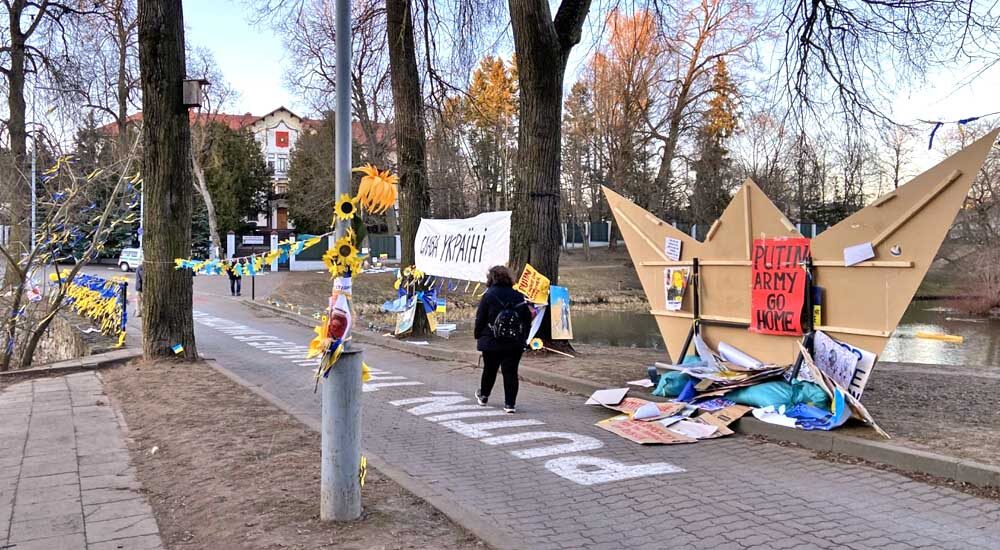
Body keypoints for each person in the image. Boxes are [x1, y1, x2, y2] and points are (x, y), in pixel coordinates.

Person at [474, 265, 532, 413]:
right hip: (514, 342)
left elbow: (480, 318)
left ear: (491, 278)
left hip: (492, 340)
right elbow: (527, 319)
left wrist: (478, 334)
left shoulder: (488, 296)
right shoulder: (519, 296)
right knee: (511, 372)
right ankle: (510, 404)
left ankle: (484, 396)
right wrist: (524, 337)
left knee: (490, 369)